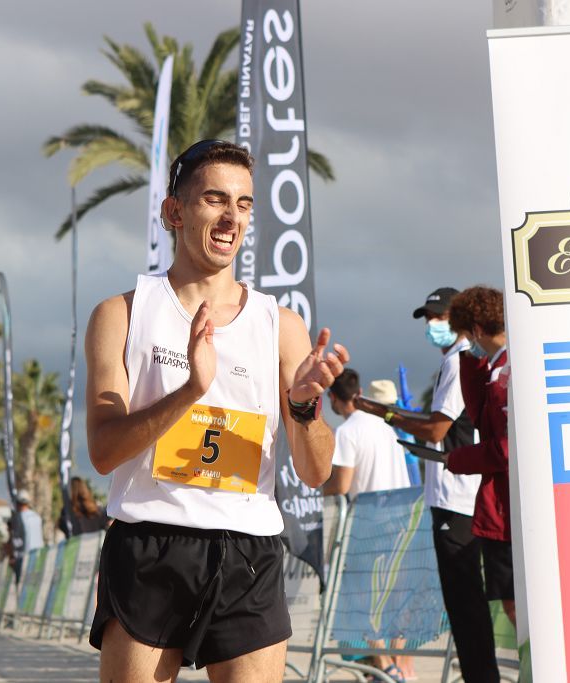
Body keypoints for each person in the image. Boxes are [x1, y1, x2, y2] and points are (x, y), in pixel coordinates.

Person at [85, 139, 348, 681]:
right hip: (149, 541)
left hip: (247, 551)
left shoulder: (282, 326)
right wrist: (187, 393)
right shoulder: (122, 315)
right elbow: (104, 452)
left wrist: (304, 410)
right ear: (173, 211)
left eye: (245, 203)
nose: (232, 217)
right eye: (215, 199)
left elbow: (318, 472)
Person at [360, 287, 498, 682]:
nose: (432, 325)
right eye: (428, 318)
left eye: (439, 317)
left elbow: (438, 427)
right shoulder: (458, 361)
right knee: (463, 604)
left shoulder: (461, 360)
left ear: (460, 321)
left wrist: (384, 413)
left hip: (458, 498)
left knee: (466, 602)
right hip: (455, 495)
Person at [322, 369, 411, 682]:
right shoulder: (385, 426)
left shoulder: (348, 431)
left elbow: (342, 483)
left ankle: (383, 666)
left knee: (362, 598)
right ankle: (397, 664)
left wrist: (319, 486)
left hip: (371, 520)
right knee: (395, 598)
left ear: (334, 397)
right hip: (402, 517)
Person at [444, 286, 515, 631]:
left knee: (516, 605)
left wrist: (458, 459)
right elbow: (478, 417)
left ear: (474, 330)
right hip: (504, 505)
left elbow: (504, 448)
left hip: (507, 507)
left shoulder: (505, 373)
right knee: (515, 604)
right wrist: (472, 364)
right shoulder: (496, 367)